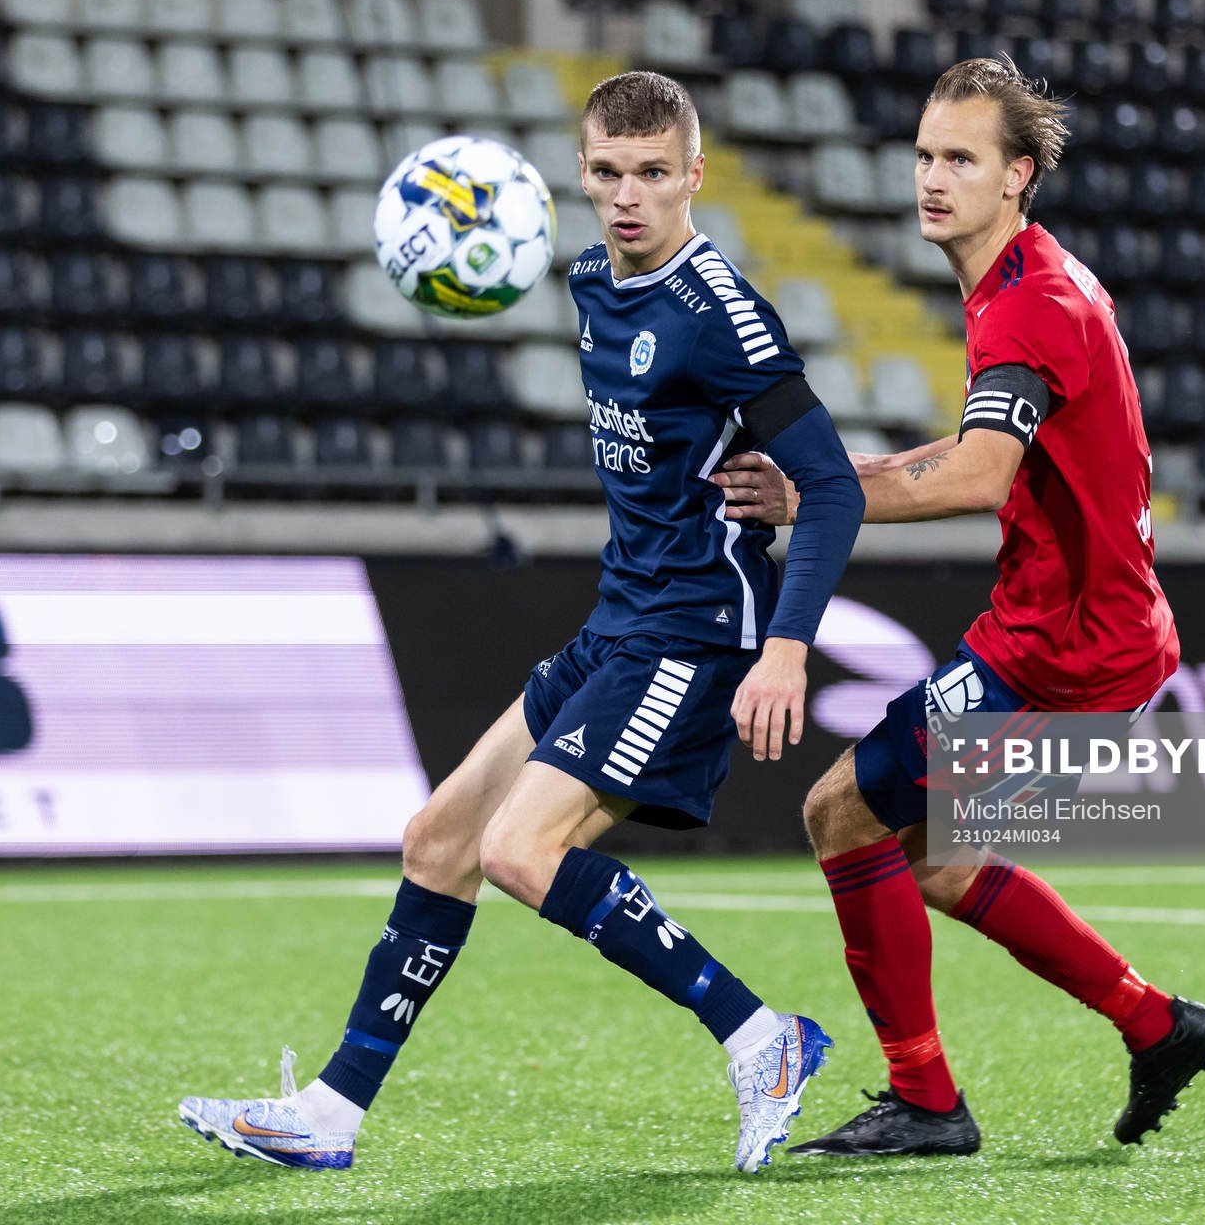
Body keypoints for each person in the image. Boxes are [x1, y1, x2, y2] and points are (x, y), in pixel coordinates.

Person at [179, 71, 865, 1175]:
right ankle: (331, 1113)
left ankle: (760, 1036)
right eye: (608, 173)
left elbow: (831, 487)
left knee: (518, 849)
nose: (629, 196)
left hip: (694, 633)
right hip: (617, 620)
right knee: (439, 840)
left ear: (694, 175)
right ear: (580, 173)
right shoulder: (590, 278)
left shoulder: (721, 318)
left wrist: (786, 647)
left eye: (653, 173)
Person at [714, 55, 1205, 1158]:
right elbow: (984, 443)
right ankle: (1156, 1024)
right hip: (1077, 631)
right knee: (929, 854)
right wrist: (838, 476)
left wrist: (819, 497)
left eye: (960, 158)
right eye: (924, 155)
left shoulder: (1029, 305)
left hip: (1067, 653)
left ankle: (928, 1100)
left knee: (841, 812)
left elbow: (981, 473)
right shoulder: (1029, 279)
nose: (932, 178)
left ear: (1018, 175)